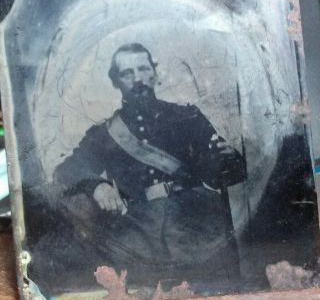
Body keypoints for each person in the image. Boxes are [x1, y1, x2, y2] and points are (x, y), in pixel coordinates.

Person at [31, 43, 246, 295]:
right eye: (127, 73)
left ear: (154, 74)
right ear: (116, 82)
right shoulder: (105, 133)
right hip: (138, 230)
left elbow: (234, 171)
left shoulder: (187, 116)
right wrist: (95, 185)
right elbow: (66, 171)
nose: (138, 79)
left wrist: (225, 160)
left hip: (194, 222)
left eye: (143, 69)